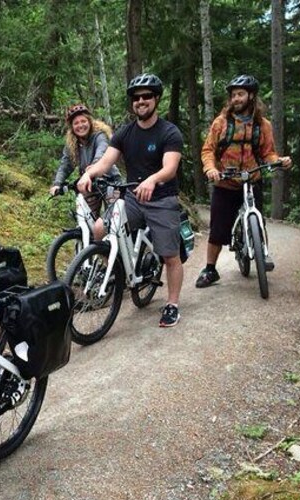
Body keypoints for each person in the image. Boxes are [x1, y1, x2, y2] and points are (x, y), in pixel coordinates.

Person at [77, 73, 185, 328]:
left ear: (156, 99)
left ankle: (172, 304)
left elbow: (170, 168)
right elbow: (104, 162)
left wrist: (152, 179)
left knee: (170, 255)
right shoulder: (125, 133)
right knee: (100, 229)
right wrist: (88, 174)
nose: (141, 101)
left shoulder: (169, 132)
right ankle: (112, 274)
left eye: (146, 96)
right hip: (133, 198)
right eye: (136, 98)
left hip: (161, 198)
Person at [197, 74, 292, 288]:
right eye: (233, 95)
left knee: (259, 219)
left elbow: (268, 153)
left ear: (251, 96)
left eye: (240, 94)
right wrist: (211, 168)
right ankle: (210, 269)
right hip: (225, 182)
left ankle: (263, 253)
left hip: (252, 178)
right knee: (218, 229)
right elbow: (208, 150)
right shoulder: (221, 123)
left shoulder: (263, 125)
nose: (236, 99)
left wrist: (279, 161)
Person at [49, 103, 122, 217]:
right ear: (72, 127)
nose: (80, 125)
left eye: (83, 121)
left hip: (110, 181)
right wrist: (57, 183)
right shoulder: (72, 144)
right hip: (90, 185)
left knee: (112, 221)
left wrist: (92, 168)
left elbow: (101, 152)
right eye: (76, 123)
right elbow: (65, 165)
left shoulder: (99, 136)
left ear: (90, 122)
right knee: (86, 218)